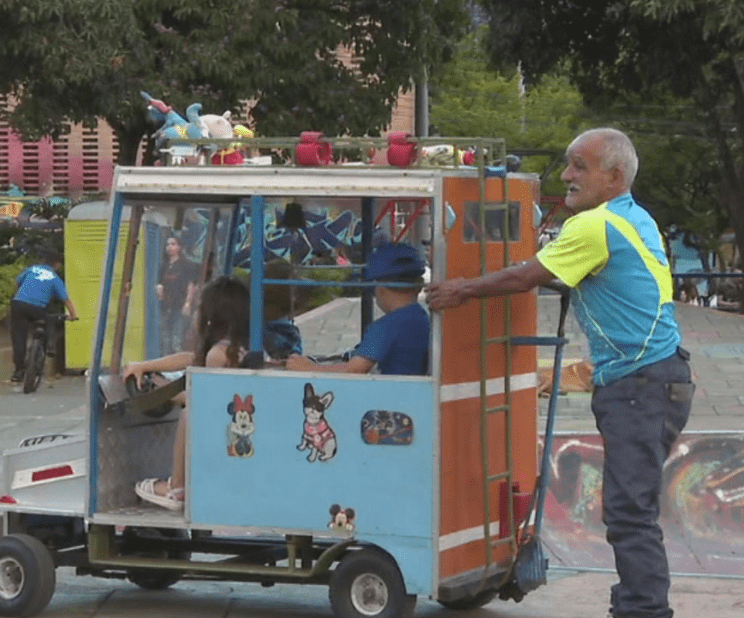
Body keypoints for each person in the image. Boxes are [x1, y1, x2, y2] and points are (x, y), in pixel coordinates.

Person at [426, 128, 694, 618]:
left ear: (613, 178)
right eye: (568, 165)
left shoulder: (594, 228)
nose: (567, 176)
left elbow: (527, 276)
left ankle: (644, 611)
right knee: (630, 509)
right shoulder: (633, 217)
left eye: (579, 167)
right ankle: (635, 602)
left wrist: (462, 288)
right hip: (659, 379)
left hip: (640, 385)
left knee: (629, 513)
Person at [123, 275, 250, 511]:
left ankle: (177, 487)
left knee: (189, 412)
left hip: (231, 434)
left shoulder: (218, 356)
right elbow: (191, 358)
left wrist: (165, 394)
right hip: (238, 426)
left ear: (213, 315)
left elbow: (208, 403)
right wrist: (147, 366)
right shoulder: (234, 348)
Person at [286, 242, 429, 376]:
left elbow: (354, 369)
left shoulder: (385, 327)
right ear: (419, 286)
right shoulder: (422, 317)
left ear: (379, 287)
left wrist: (309, 368)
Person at [9, 251, 77, 383]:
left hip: (19, 304)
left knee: (19, 338)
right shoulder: (55, 278)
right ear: (57, 264)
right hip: (38, 309)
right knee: (48, 322)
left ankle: (18, 371)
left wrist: (18, 296)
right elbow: (65, 299)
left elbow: (17, 282)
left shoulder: (32, 269)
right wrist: (73, 315)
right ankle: (49, 346)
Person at [156, 234, 196, 354]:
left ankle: (175, 363)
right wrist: (158, 288)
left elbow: (191, 285)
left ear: (179, 247)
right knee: (164, 335)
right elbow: (158, 282)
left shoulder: (186, 265)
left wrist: (188, 303)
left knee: (177, 336)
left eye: (173, 244)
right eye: (168, 244)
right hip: (165, 305)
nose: (169, 247)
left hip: (179, 304)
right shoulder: (164, 265)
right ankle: (165, 360)